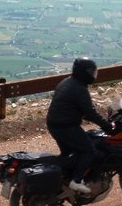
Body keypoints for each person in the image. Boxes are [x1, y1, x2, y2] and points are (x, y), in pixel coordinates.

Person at [46, 57, 114, 194]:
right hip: (66, 127)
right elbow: (90, 112)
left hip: (54, 124)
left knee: (69, 154)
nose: (93, 76)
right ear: (84, 72)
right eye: (91, 72)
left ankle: (63, 181)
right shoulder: (79, 88)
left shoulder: (67, 81)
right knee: (88, 150)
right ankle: (76, 181)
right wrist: (107, 126)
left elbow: (82, 110)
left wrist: (93, 118)